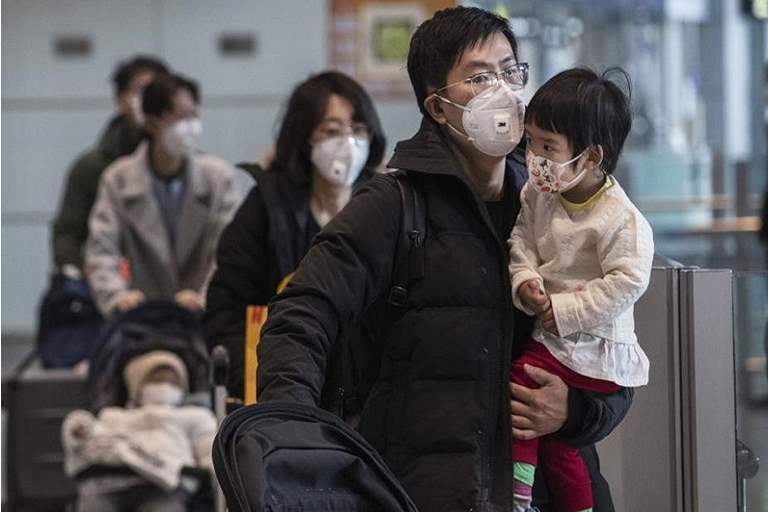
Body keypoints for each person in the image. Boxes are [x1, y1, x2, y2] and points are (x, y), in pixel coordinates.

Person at [255, 7, 632, 511]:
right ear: (437, 106)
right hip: (425, 492)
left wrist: (576, 411)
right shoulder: (394, 205)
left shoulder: (556, 203)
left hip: (550, 492)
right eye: (478, 77)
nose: (502, 90)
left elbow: (617, 352)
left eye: (510, 71)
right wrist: (294, 439)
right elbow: (301, 314)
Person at [507, 68, 653, 512]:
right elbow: (522, 240)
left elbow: (628, 280)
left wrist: (566, 309)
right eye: (531, 142)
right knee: (559, 445)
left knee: (522, 382)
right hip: (556, 338)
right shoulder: (539, 193)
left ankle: (517, 492)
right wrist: (525, 279)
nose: (534, 157)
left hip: (593, 348)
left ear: (591, 157)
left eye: (548, 147)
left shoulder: (621, 219)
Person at [203, 70, 386, 400]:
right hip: (280, 386)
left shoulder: (387, 205)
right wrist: (256, 382)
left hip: (368, 395)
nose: (348, 144)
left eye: (358, 130)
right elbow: (226, 308)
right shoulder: (266, 207)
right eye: (332, 131)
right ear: (304, 138)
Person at [85, 73, 241, 316]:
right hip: (141, 317)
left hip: (203, 319)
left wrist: (206, 296)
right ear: (151, 122)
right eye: (180, 117)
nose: (190, 126)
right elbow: (101, 250)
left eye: (194, 116)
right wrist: (117, 296)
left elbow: (230, 250)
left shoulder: (218, 178)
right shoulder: (118, 179)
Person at [52, 55, 169, 275]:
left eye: (159, 93)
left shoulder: (193, 168)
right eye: (142, 91)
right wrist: (82, 275)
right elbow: (68, 235)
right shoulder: (91, 168)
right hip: (106, 281)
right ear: (121, 100)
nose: (150, 101)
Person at [62, 350, 217, 512]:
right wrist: (79, 428)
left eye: (172, 381)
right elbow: (87, 438)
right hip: (110, 483)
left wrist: (213, 472)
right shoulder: (113, 416)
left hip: (165, 488)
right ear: (136, 383)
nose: (163, 386)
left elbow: (209, 449)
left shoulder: (194, 416)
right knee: (93, 504)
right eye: (155, 380)